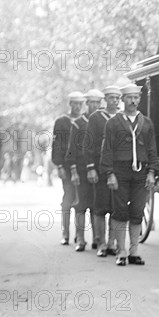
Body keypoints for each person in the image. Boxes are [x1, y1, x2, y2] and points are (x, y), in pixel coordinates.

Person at [100, 83, 158, 266]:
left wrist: (152, 172)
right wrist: (109, 173)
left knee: (137, 211)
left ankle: (134, 252)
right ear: (122, 100)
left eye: (136, 98)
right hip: (120, 171)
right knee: (119, 211)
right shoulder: (113, 122)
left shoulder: (146, 122)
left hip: (141, 172)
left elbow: (152, 149)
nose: (133, 101)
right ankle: (121, 251)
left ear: (139, 99)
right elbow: (107, 149)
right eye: (129, 98)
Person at [65, 89, 104, 252]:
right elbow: (71, 150)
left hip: (99, 169)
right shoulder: (78, 123)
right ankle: (80, 239)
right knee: (81, 204)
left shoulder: (104, 121)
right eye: (91, 102)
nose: (94, 105)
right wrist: (73, 172)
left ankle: (98, 238)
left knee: (98, 205)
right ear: (86, 104)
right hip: (81, 170)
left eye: (97, 102)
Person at [85, 85, 121, 257]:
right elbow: (89, 144)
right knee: (99, 207)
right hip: (100, 167)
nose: (114, 100)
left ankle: (112, 242)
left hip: (119, 168)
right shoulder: (96, 118)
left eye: (117, 98)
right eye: (111, 97)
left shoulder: (123, 117)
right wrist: (90, 167)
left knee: (116, 207)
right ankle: (101, 242)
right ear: (105, 99)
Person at [52, 91, 85, 245]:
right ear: (70, 104)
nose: (78, 107)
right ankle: (65, 233)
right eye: (75, 104)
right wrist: (59, 166)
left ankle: (80, 236)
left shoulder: (86, 121)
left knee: (82, 200)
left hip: (83, 165)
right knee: (68, 197)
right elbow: (57, 145)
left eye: (80, 104)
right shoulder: (62, 122)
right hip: (66, 165)